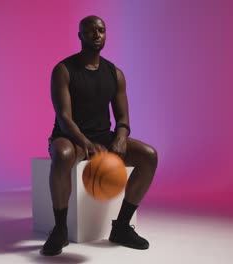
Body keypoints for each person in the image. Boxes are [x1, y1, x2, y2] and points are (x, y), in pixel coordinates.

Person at [41, 15, 158, 256]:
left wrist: (121, 137)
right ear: (80, 35)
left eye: (101, 30)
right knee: (62, 155)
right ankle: (60, 229)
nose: (96, 34)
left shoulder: (115, 74)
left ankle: (122, 227)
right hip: (71, 137)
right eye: (90, 30)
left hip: (104, 137)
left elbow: (123, 119)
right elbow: (64, 117)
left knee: (149, 156)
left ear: (106, 34)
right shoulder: (63, 70)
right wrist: (85, 143)